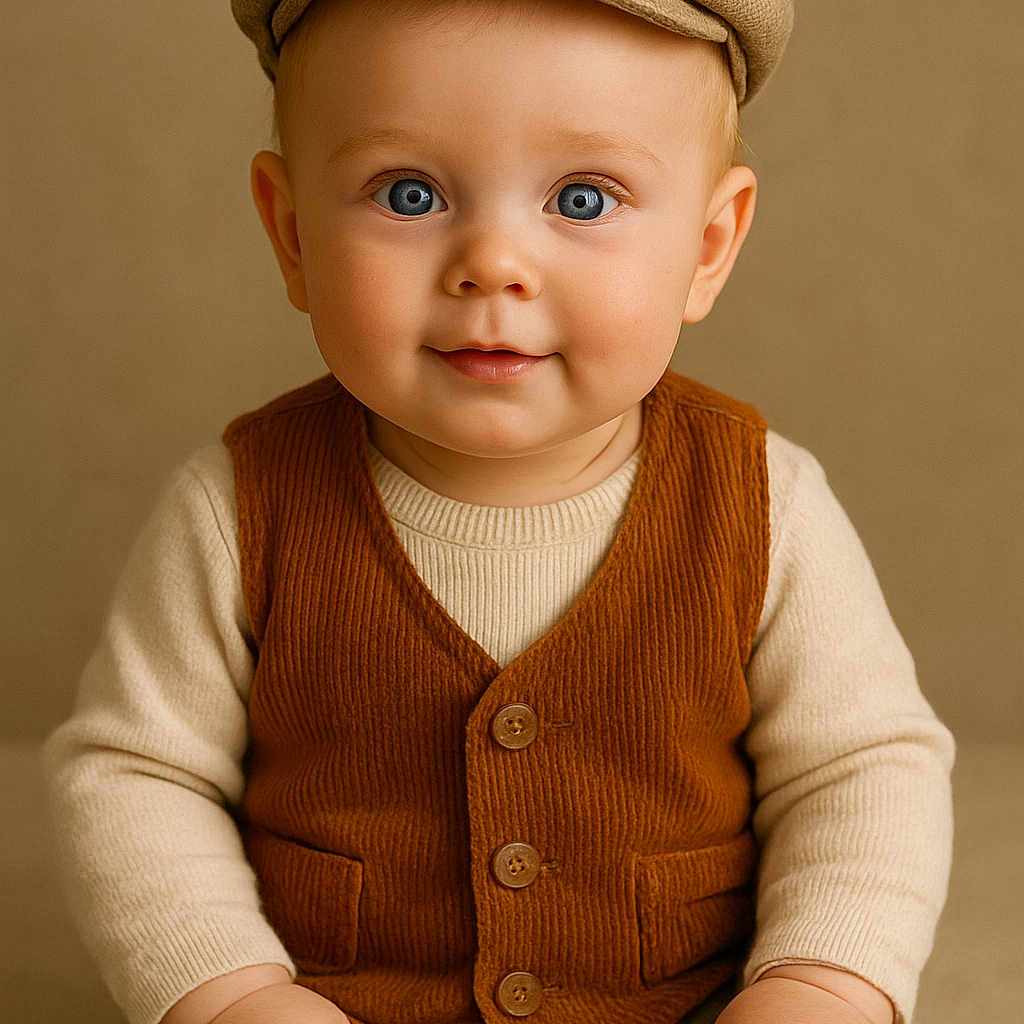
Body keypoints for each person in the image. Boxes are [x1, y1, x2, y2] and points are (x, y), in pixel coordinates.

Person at [42, 1, 955, 1023]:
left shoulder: (761, 503)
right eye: (410, 191)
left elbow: (861, 769)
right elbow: (133, 774)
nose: (492, 263)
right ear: (292, 234)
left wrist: (823, 980)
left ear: (706, 246)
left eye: (581, 197)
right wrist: (227, 991)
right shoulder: (239, 506)